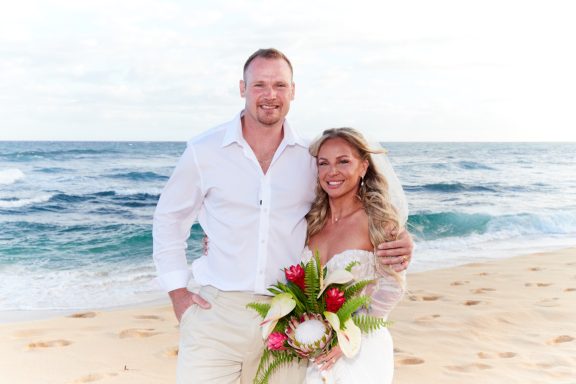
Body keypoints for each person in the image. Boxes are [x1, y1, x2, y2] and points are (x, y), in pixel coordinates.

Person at [152, 48, 413, 384]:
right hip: (215, 313)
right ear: (242, 88)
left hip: (290, 321)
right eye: (259, 84)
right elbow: (169, 219)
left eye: (279, 85)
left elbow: (349, 203)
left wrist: (399, 238)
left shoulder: (309, 155)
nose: (270, 95)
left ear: (293, 91)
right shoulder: (204, 151)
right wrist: (177, 291)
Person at [302, 128, 406, 384]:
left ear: (363, 167)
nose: (332, 171)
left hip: (362, 347)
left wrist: (349, 339)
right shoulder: (310, 223)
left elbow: (392, 289)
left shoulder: (378, 222)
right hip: (317, 346)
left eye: (343, 161)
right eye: (323, 163)